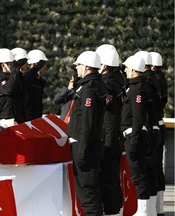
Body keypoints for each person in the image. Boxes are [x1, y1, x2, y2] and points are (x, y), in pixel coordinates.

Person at [67, 51, 107, 215]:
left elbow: (87, 123)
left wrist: (82, 150)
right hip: (90, 144)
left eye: (79, 65)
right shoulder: (91, 86)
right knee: (91, 193)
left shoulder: (89, 90)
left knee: (87, 194)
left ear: (88, 67)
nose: (76, 68)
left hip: (85, 145)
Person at [121, 55, 151, 215]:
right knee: (138, 173)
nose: (125, 70)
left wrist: (134, 141)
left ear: (133, 70)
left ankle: (143, 212)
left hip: (134, 135)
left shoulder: (137, 88)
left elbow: (138, 117)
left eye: (127, 68)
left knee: (138, 174)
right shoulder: (134, 87)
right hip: (132, 134)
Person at [96, 46, 124, 215]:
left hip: (109, 136)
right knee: (112, 180)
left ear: (104, 65)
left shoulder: (109, 84)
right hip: (113, 134)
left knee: (107, 180)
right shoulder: (117, 79)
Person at [135, 51, 162, 215]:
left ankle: (147, 211)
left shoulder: (145, 84)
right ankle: (153, 210)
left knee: (144, 172)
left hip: (148, 129)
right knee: (154, 170)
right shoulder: (157, 81)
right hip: (155, 127)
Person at [149, 51, 168, 216]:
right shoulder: (162, 80)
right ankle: (159, 208)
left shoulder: (150, 81)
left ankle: (152, 209)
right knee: (158, 168)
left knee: (150, 168)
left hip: (152, 126)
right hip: (160, 125)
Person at [0, 48, 26, 129]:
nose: (13, 67)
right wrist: (16, 70)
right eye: (11, 64)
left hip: (16, 118)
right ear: (3, 65)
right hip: (6, 120)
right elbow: (8, 89)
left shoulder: (12, 77)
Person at [24, 49, 48, 121]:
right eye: (43, 65)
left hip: (36, 117)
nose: (45, 67)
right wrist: (36, 68)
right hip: (28, 118)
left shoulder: (39, 81)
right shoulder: (26, 79)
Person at [11, 47, 28, 124]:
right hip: (14, 114)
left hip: (21, 113)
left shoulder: (20, 75)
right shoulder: (13, 76)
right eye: (25, 62)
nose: (27, 64)